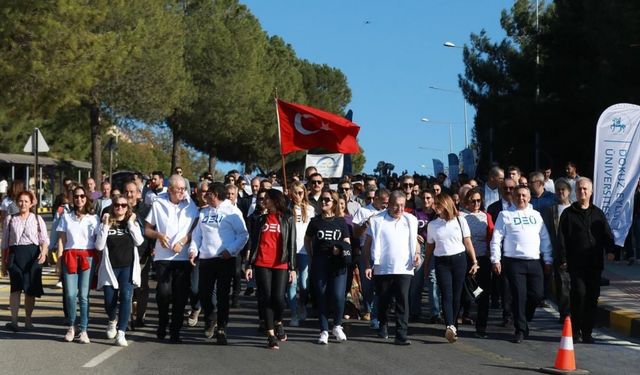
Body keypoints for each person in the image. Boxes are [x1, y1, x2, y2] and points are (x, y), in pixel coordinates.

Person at [490, 186, 552, 343]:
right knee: (518, 295)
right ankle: (520, 329)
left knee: (537, 295)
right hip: (513, 261)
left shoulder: (536, 215)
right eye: (518, 195)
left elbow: (544, 238)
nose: (521, 198)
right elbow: (496, 238)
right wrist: (495, 259)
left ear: (529, 197)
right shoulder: (505, 215)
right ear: (513, 197)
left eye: (524, 195)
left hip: (534, 261)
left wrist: (548, 259)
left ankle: (525, 316)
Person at [557, 178, 615, 343]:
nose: (582, 192)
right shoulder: (568, 214)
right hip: (576, 263)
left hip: (594, 263)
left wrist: (611, 250)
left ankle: (587, 332)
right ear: (575, 192)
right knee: (579, 295)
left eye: (585, 189)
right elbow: (561, 238)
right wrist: (562, 258)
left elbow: (606, 233)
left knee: (592, 297)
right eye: (579, 189)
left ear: (590, 192)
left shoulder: (597, 213)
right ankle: (575, 331)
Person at [190, 182, 249, 345]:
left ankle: (222, 328)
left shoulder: (232, 212)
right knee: (204, 294)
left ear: (215, 194)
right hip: (206, 259)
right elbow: (196, 236)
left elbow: (243, 235)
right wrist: (193, 251)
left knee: (223, 296)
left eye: (208, 193)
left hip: (225, 259)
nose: (205, 195)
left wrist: (230, 250)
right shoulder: (203, 213)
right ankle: (210, 318)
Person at [144, 174, 199, 343]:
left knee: (180, 296)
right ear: (170, 189)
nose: (182, 192)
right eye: (179, 189)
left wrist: (183, 241)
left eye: (184, 189)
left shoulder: (191, 205)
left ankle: (175, 331)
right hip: (163, 256)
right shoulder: (158, 204)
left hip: (182, 258)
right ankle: (162, 323)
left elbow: (196, 228)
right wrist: (159, 235)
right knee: (163, 293)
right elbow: (147, 229)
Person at [363, 191, 420, 345]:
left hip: (404, 268)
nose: (400, 209)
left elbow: (415, 242)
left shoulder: (411, 220)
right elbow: (367, 245)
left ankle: (401, 335)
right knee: (384, 300)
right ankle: (383, 324)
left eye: (402, 205)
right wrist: (368, 265)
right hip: (383, 268)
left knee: (403, 301)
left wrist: (416, 253)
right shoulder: (377, 221)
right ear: (389, 204)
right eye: (396, 205)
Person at [245, 189, 296, 350]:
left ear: (275, 200)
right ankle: (271, 335)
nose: (263, 201)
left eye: (267, 198)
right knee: (266, 298)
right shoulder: (260, 219)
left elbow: (291, 244)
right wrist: (249, 265)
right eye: (263, 198)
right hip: (261, 263)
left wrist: (292, 267)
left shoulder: (287, 218)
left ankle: (279, 321)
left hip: (280, 263)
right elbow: (253, 243)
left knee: (279, 298)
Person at [425, 194, 479, 343]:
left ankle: (454, 324)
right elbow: (429, 247)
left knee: (457, 295)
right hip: (442, 262)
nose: (435, 207)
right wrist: (426, 265)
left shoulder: (460, 220)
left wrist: (474, 261)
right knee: (446, 294)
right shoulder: (432, 225)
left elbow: (467, 242)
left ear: (446, 204)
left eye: (438, 204)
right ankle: (449, 325)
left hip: (459, 260)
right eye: (435, 204)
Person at [95, 195, 144, 347]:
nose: (120, 208)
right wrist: (105, 225)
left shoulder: (131, 223)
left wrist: (130, 223)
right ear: (112, 206)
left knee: (126, 297)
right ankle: (112, 320)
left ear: (128, 208)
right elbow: (99, 246)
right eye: (117, 205)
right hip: (110, 267)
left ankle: (121, 332)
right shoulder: (105, 222)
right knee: (109, 300)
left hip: (127, 266)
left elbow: (139, 241)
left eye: (123, 205)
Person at [305, 190, 351, 344]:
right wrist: (312, 257)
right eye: (322, 200)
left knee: (338, 296)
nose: (324, 202)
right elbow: (307, 240)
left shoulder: (341, 221)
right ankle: (323, 330)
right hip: (320, 262)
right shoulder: (315, 222)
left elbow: (347, 242)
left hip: (338, 263)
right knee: (322, 296)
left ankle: (337, 325)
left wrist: (340, 249)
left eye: (327, 200)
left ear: (334, 203)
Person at [1, 191, 49, 332]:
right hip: (15, 256)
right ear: (16, 202)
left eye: (26, 201)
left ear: (31, 203)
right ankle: (14, 321)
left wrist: (44, 253)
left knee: (30, 290)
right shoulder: (10, 219)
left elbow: (44, 239)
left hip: (32, 256)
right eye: (20, 201)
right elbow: (4, 243)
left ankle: (28, 320)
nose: (23, 204)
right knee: (15, 289)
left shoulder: (37, 218)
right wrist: (3, 263)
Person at [56, 185, 99, 343]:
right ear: (72, 199)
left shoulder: (93, 218)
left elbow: (98, 241)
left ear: (86, 198)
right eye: (76, 196)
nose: (79, 199)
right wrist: (58, 262)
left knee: (83, 296)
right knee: (70, 294)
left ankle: (84, 329)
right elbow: (62, 240)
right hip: (70, 256)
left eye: (82, 196)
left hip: (87, 256)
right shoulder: (66, 217)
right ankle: (71, 326)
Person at [352, 188, 390, 329]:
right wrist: (365, 225)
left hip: (382, 251)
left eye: (387, 203)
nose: (386, 205)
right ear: (376, 199)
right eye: (384, 202)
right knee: (367, 285)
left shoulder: (387, 213)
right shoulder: (363, 211)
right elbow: (355, 233)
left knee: (379, 285)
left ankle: (376, 314)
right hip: (366, 250)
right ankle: (368, 308)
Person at [462, 188, 494, 338]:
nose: (475, 203)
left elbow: (492, 235)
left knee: (484, 294)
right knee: (469, 291)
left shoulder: (485, 216)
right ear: (467, 201)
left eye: (478, 201)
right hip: (466, 259)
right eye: (472, 200)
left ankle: (481, 328)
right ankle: (458, 318)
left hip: (483, 259)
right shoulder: (461, 216)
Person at [541, 178, 573, 322]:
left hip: (573, 251)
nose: (560, 192)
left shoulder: (574, 209)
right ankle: (565, 313)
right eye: (558, 190)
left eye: (563, 190)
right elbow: (546, 231)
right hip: (557, 250)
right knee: (562, 282)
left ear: (569, 192)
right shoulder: (551, 210)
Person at [122, 181, 152, 329]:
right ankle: (127, 319)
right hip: (123, 256)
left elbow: (151, 230)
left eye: (132, 191)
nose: (129, 194)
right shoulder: (118, 209)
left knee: (141, 288)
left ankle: (140, 316)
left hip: (142, 255)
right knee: (126, 288)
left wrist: (152, 248)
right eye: (126, 191)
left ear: (139, 194)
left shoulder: (146, 210)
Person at [287, 181, 315, 326]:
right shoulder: (286, 209)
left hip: (304, 250)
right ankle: (293, 314)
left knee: (304, 284)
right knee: (292, 283)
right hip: (289, 251)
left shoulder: (310, 210)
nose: (298, 195)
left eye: (300, 192)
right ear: (290, 192)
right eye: (295, 192)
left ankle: (302, 305)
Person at [409, 188, 438, 322]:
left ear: (433, 199)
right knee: (417, 281)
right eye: (424, 198)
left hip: (433, 249)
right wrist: (415, 236)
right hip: (419, 248)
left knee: (432, 280)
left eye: (429, 198)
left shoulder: (437, 215)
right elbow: (408, 230)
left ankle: (435, 313)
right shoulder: (416, 213)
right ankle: (414, 311)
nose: (426, 201)